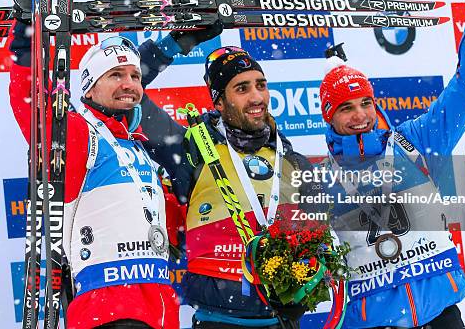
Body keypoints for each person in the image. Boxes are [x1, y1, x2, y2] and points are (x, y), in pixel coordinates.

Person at [9, 0, 221, 329]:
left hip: (159, 309)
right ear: (89, 87)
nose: (130, 83)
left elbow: (178, 230)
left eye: (135, 77)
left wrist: (179, 39)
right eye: (116, 75)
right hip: (108, 310)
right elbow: (33, 101)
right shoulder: (77, 134)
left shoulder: (139, 147)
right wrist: (28, 25)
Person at [317, 0, 465, 328]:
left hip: (442, 315)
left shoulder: (412, 143)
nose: (359, 116)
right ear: (329, 116)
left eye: (366, 103)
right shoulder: (321, 180)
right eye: (346, 108)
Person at [139, 44, 325, 329]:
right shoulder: (190, 149)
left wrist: (308, 283)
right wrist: (173, 43)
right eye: (241, 88)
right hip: (218, 320)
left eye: (260, 85)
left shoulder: (293, 161)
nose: (256, 97)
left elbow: (319, 242)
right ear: (218, 102)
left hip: (281, 322)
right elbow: (128, 88)